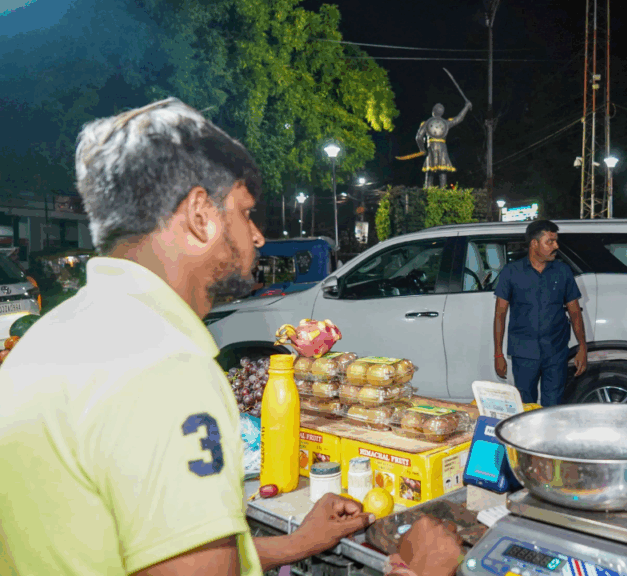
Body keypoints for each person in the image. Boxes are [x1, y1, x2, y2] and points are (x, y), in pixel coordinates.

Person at [0, 98, 456, 575]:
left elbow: (148, 551)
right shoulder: (164, 366)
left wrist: (298, 544)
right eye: (245, 213)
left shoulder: (49, 336)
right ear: (200, 215)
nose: (258, 236)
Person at [493, 220, 587, 406]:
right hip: (523, 352)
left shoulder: (562, 272)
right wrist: (498, 354)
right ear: (534, 244)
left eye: (555, 241)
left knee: (553, 405)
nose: (556, 246)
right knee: (525, 404)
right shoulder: (511, 272)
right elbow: (500, 315)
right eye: (550, 242)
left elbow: (575, 311)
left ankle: (549, 435)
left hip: (556, 351)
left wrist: (582, 347)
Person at [415, 100, 471, 189]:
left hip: (431, 147)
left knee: (430, 172)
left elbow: (418, 137)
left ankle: (427, 192)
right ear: (442, 112)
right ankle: (442, 193)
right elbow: (458, 119)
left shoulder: (426, 123)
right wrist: (466, 107)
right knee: (442, 172)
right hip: (442, 148)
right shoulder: (446, 123)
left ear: (433, 111)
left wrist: (422, 149)